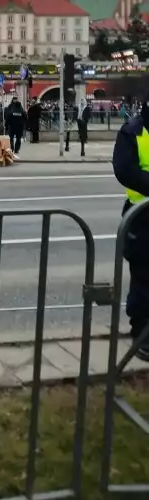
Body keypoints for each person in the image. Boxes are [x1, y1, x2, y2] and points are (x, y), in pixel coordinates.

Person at [112, 89, 149, 361]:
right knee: (144, 279)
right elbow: (125, 170)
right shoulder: (133, 131)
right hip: (142, 218)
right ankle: (142, 336)